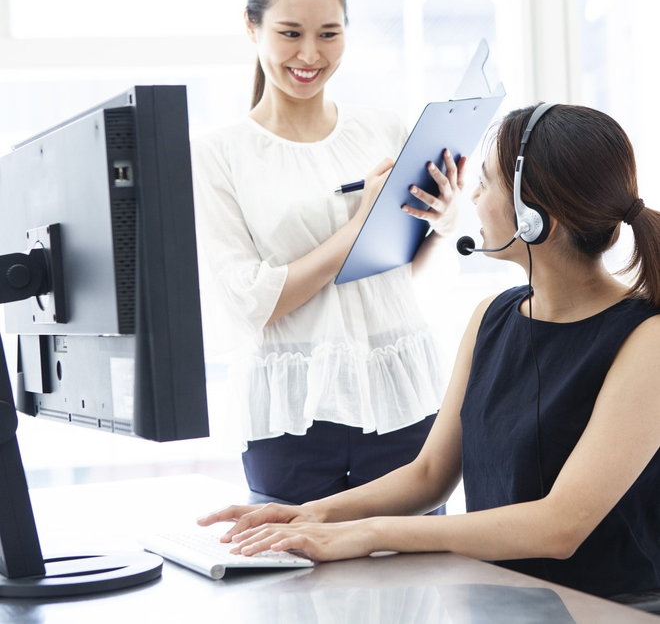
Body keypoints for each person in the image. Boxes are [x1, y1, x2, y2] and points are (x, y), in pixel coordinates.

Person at [197, 103, 660, 602]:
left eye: (485, 183)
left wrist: (369, 534)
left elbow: (560, 526)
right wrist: (310, 514)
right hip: (506, 597)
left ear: (533, 218)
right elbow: (429, 475)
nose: (473, 197)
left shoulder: (646, 339)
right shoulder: (492, 316)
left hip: (609, 608)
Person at [192, 0, 463, 505]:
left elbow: (401, 271)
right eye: (290, 33)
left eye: (329, 34)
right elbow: (250, 303)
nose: (310, 54)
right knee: (294, 558)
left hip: (400, 397)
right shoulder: (218, 154)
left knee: (419, 558)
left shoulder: (384, 127)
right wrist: (359, 226)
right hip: (290, 415)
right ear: (251, 26)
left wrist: (443, 220)